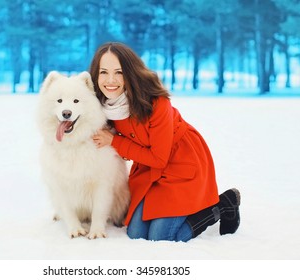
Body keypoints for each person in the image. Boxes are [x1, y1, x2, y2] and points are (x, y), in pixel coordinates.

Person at [90, 42, 241, 242]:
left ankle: (221, 205)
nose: (110, 80)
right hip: (148, 169)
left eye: (119, 72)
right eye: (103, 72)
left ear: (130, 73)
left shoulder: (155, 103)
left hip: (180, 162)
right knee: (136, 234)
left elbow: (159, 158)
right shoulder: (104, 107)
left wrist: (115, 141)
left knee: (162, 237)